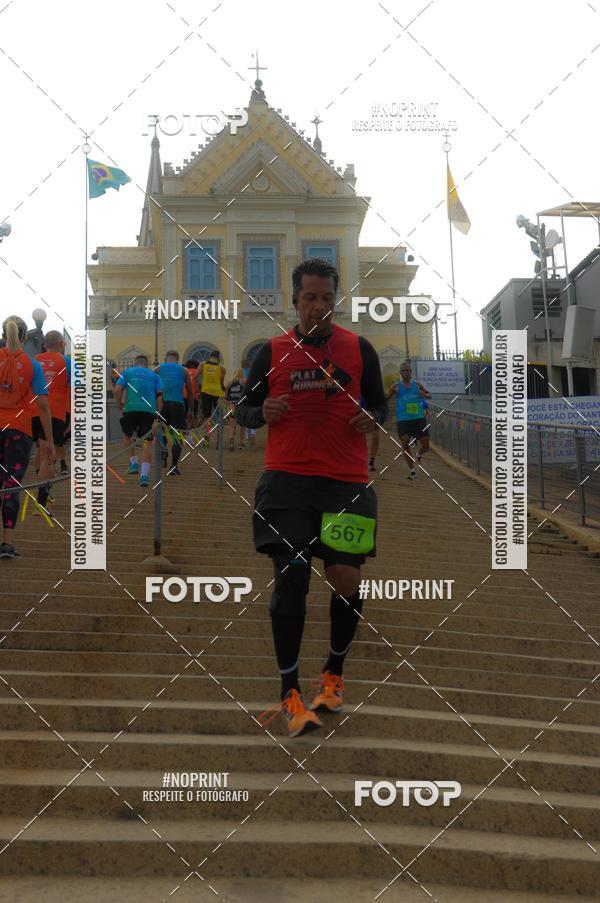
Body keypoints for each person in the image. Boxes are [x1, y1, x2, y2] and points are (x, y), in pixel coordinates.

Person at [237, 258, 387, 738]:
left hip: (346, 481)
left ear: (334, 300)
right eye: (309, 298)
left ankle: (333, 674)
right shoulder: (272, 350)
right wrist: (262, 410)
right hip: (287, 483)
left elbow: (380, 403)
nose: (318, 306)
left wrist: (372, 417)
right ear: (295, 300)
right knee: (293, 579)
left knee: (345, 575)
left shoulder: (359, 348)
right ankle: (290, 694)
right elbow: (241, 409)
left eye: (326, 297)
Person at [0, 316, 54, 558]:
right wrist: (49, 441)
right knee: (11, 485)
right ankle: (7, 543)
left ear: (4, 334)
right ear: (23, 337)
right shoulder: (33, 365)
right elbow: (42, 404)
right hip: (19, 431)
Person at [31, 331, 71, 510]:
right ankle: (41, 498)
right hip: (53, 412)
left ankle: (42, 486)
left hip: (31, 411)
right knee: (49, 454)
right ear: (62, 343)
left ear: (46, 344)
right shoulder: (68, 363)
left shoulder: (33, 360)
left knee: (40, 448)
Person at [114, 354, 163, 488]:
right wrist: (157, 414)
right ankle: (144, 476)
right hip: (149, 411)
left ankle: (133, 462)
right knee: (147, 442)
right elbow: (159, 397)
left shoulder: (128, 372)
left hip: (130, 409)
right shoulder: (155, 376)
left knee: (126, 434)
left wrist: (120, 407)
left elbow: (117, 389)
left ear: (135, 363)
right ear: (147, 365)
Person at [387, 361, 431, 480]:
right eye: (403, 370)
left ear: (411, 372)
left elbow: (429, 394)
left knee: (426, 445)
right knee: (405, 442)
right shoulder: (395, 386)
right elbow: (386, 398)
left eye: (408, 370)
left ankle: (419, 453)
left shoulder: (417, 384)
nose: (406, 372)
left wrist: (424, 394)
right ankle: (412, 471)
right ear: (400, 373)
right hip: (403, 419)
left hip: (418, 418)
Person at [154, 351, 193, 476]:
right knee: (177, 436)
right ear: (177, 359)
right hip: (178, 404)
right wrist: (191, 410)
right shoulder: (184, 370)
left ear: (166, 359)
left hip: (162, 404)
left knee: (161, 430)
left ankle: (163, 449)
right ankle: (174, 467)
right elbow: (190, 391)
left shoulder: (158, 368)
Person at [196, 350, 226, 445]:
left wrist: (199, 388)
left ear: (209, 356)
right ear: (219, 358)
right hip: (218, 393)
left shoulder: (202, 364)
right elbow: (221, 382)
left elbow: (196, 376)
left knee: (207, 417)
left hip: (206, 392)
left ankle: (207, 436)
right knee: (218, 417)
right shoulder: (222, 368)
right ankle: (219, 440)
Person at [225, 368, 246, 451]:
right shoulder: (244, 381)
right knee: (242, 425)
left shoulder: (230, 383)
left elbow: (226, 396)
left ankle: (231, 439)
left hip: (232, 405)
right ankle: (241, 443)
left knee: (232, 424)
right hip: (242, 405)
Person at [183, 359, 200, 424]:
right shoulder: (197, 372)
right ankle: (191, 429)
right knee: (193, 414)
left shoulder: (184, 371)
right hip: (193, 396)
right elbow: (198, 383)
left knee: (184, 414)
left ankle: (184, 429)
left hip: (183, 395)